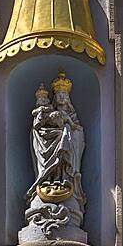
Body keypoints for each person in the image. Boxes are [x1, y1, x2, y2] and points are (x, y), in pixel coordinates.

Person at [27, 71, 86, 210]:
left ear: (68, 97)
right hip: (49, 140)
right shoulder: (48, 111)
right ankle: (45, 180)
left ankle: (65, 178)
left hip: (66, 144)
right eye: (58, 94)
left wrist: (70, 129)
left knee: (67, 136)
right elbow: (40, 126)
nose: (61, 96)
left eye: (64, 94)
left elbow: (78, 130)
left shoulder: (72, 114)